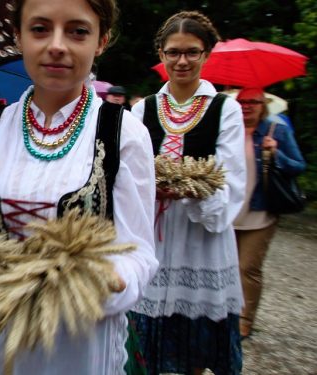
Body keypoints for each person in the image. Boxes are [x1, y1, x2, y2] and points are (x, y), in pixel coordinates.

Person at [0, 0, 158, 373]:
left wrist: (112, 279)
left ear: (101, 41)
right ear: (18, 37)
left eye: (78, 31)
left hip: (78, 342)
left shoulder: (123, 133)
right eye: (40, 29)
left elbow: (139, 252)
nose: (57, 45)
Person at [129, 11, 247, 375]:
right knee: (146, 351)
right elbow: (130, 173)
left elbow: (229, 176)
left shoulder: (226, 109)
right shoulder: (142, 109)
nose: (182, 61)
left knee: (193, 350)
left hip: (201, 240)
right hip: (156, 235)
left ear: (206, 54)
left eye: (192, 52)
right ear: (161, 54)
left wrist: (190, 190)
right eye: (174, 52)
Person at [233, 87, 306, 339]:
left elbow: (298, 165)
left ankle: (245, 319)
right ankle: (226, 313)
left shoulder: (277, 130)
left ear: (263, 105)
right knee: (227, 267)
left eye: (253, 102)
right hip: (229, 213)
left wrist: (276, 152)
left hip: (260, 213)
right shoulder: (228, 131)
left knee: (248, 268)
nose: (247, 106)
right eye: (242, 102)